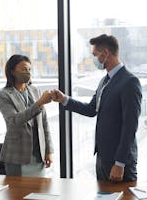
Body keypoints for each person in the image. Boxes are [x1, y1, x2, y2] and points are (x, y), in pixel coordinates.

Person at [52, 34, 142, 182]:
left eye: (95, 55)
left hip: (120, 163)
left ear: (105, 53)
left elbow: (130, 127)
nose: (93, 59)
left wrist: (119, 163)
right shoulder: (104, 81)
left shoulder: (130, 82)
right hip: (102, 158)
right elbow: (91, 109)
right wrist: (64, 99)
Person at [0, 54, 54, 176]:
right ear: (12, 71)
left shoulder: (35, 90)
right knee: (18, 193)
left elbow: (44, 123)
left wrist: (49, 151)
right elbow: (14, 120)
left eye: (29, 69)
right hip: (17, 155)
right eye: (23, 69)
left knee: (39, 192)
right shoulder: (3, 95)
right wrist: (39, 103)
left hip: (38, 154)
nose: (27, 72)